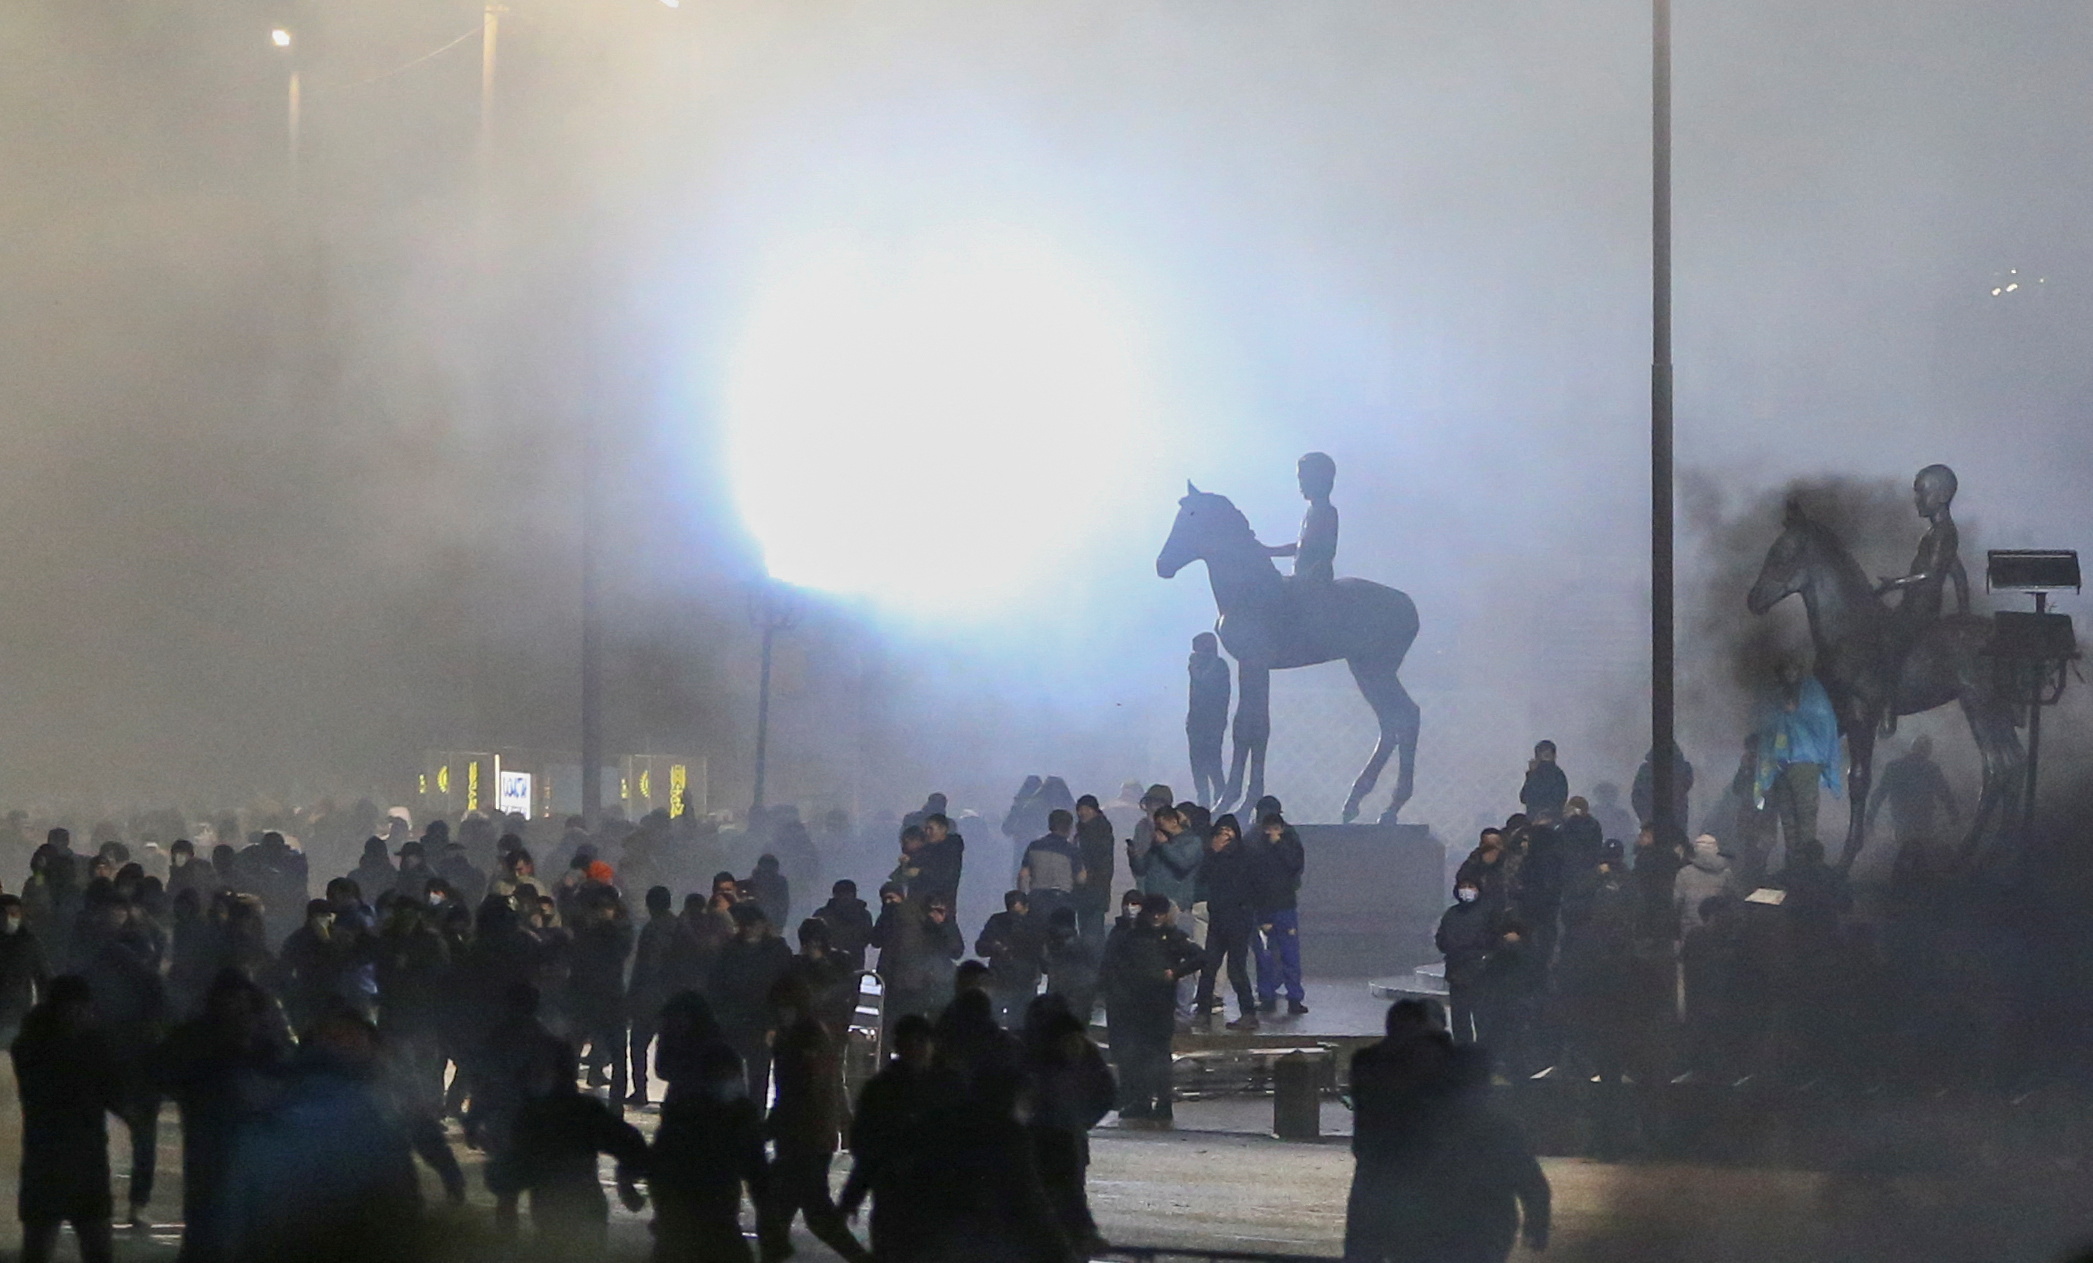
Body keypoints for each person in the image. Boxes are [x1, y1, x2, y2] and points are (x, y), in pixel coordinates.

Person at [493, 1043, 647, 1257]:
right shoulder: (584, 1110)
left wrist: (507, 1236)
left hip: (554, 1210)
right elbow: (631, 1144)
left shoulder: (532, 1115)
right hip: (585, 1208)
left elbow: (510, 1177)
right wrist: (626, 1182)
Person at [758, 978, 872, 1263]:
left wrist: (770, 1127)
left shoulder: (803, 1037)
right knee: (801, 1213)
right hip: (809, 1136)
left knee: (792, 1212)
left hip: (804, 1138)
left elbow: (803, 1089)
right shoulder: (805, 1034)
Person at [13, 976, 120, 1263]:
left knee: (41, 1246)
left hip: (54, 1160)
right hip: (73, 1159)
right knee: (89, 1245)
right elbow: (108, 1090)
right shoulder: (45, 1046)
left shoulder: (33, 1043)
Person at [839, 1014, 946, 1261]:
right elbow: (866, 1149)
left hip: (928, 1194)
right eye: (910, 1043)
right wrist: (852, 1195)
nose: (915, 1049)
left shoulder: (944, 1086)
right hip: (897, 1191)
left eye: (921, 1042)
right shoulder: (882, 1090)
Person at [648, 1041, 767, 1263]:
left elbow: (658, 1162)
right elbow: (757, 1171)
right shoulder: (738, 1114)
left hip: (685, 1218)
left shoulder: (684, 1112)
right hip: (715, 1215)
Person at [1875, 463, 1969, 732]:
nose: (1916, 499)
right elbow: (1958, 573)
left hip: (1920, 611)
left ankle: (1888, 707)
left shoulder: (1944, 533)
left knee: (1889, 643)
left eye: (1921, 493)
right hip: (1912, 606)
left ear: (1939, 496)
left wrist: (1895, 583)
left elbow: (1933, 573)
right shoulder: (1937, 533)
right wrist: (1964, 611)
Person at [1021, 995, 1116, 1257]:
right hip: (1055, 1143)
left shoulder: (1030, 1054)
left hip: (1061, 1142)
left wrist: (1078, 1121)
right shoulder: (1048, 1058)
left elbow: (1106, 1092)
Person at [1099, 895, 1199, 1122]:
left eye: (1161, 913)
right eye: (1153, 912)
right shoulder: (1129, 938)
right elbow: (1111, 969)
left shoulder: (1170, 938)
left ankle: (1161, 1103)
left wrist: (1175, 972)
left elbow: (1200, 957)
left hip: (1158, 1006)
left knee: (1158, 1055)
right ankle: (1144, 1103)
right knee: (1142, 1056)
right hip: (1136, 1006)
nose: (1156, 917)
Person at [1754, 658, 1844, 865]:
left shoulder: (1812, 691)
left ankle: (1807, 864)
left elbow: (1824, 719)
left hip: (1804, 761)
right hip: (1781, 764)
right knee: (1787, 816)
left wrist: (1798, 711)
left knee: (1805, 814)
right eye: (1786, 670)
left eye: (1793, 669)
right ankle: (1792, 863)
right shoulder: (1777, 694)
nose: (1790, 674)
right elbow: (1768, 724)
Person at [711, 903, 792, 1103]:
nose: (748, 929)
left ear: (762, 924)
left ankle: (755, 1118)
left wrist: (775, 1022)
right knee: (732, 1073)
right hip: (735, 1018)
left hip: (762, 1020)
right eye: (745, 924)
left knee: (758, 1074)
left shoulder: (777, 950)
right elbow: (717, 985)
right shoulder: (730, 949)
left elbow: (785, 987)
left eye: (752, 924)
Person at [1251, 809, 1308, 1016]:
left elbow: (1295, 865)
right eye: (1268, 829)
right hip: (1264, 909)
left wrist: (1280, 845)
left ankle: (1294, 998)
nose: (1272, 833)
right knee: (1265, 955)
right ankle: (1267, 996)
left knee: (1289, 954)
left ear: (1282, 829)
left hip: (1285, 907)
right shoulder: (1256, 847)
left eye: (1276, 829)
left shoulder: (1291, 845)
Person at [1867, 735, 1958, 852]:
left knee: (1904, 849)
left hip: (1902, 817)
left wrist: (1870, 817)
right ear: (1928, 751)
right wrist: (1953, 814)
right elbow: (1945, 794)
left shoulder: (1895, 767)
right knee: (1920, 851)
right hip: (1921, 819)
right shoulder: (1931, 769)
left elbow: (1880, 794)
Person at [1263, 450, 1340, 584]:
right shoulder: (1312, 513)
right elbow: (1302, 547)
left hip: (1315, 582)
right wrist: (1270, 551)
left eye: (1306, 478)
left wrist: (1309, 578)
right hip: (1303, 578)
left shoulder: (1327, 513)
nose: (1301, 484)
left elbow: (1327, 553)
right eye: (1300, 478)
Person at [1435, 879, 1493, 1045]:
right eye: (1463, 887)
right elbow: (1441, 939)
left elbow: (1491, 939)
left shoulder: (1487, 913)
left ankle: (1484, 1050)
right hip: (1457, 971)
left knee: (1481, 1014)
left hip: (1479, 970)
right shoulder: (1451, 914)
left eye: (1470, 886)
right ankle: (1463, 1050)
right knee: (1460, 1016)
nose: (1466, 890)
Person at [976, 891, 1045, 1026]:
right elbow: (981, 947)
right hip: (1006, 980)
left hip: (1019, 981)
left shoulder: (1034, 924)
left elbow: (1039, 950)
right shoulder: (999, 921)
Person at [1126, 805, 1201, 919]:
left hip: (1175, 903)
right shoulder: (1157, 844)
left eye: (1161, 825)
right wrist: (1134, 856)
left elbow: (1183, 864)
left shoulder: (1192, 841)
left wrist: (1164, 845)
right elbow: (1142, 869)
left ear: (1174, 822)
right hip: (1152, 901)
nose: (1158, 830)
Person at [1186, 632, 1232, 808]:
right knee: (1197, 763)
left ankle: (1220, 798)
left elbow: (1204, 679)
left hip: (1213, 723)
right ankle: (1203, 801)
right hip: (1197, 722)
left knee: (1213, 763)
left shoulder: (1219, 665)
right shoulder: (1196, 664)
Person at [1019, 810, 1086, 922]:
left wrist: (1023, 900)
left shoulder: (1034, 846)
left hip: (1036, 899)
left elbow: (1023, 875)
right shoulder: (1072, 850)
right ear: (1069, 827)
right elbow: (1080, 879)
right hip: (1062, 901)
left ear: (1050, 825)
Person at [0, 894, 50, 1045]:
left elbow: (43, 978)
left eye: (14, 914)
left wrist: (45, 1012)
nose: (10, 918)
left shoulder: (29, 943)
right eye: (5, 914)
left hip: (17, 1012)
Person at [1071, 795, 1118, 944]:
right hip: (1087, 890)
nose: (1082, 813)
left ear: (1095, 811)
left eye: (1086, 809)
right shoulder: (1085, 830)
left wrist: (1087, 875)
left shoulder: (1098, 830)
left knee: (1092, 932)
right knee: (1087, 930)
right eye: (1080, 809)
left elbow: (1101, 861)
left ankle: (1094, 962)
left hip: (1093, 890)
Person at [1672, 834, 1736, 935]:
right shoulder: (1726, 873)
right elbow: (1732, 899)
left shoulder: (1684, 873)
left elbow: (1676, 903)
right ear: (1716, 850)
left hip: (1689, 928)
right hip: (1718, 928)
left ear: (1695, 850)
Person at [812, 879, 874, 973]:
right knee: (852, 985)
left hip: (827, 961)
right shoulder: (863, 914)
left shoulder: (822, 914)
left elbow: (812, 936)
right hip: (855, 960)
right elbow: (867, 937)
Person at [1519, 741, 1569, 822]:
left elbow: (1525, 797)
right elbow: (1524, 797)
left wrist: (1531, 775)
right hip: (1547, 820)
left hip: (1544, 820)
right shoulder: (1558, 774)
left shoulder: (1555, 775)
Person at [746, 854, 791, 930]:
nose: (767, 874)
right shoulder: (752, 882)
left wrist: (779, 925)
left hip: (773, 923)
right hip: (754, 923)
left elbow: (783, 905)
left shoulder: (780, 883)